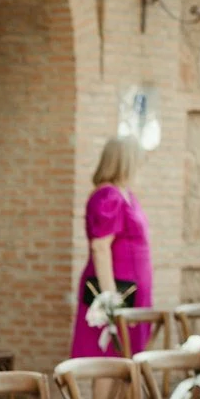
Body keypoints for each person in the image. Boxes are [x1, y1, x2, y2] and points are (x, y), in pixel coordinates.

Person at [70, 135, 151, 360]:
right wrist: (110, 299)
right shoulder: (107, 196)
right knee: (109, 356)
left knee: (127, 358)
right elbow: (100, 247)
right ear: (125, 161)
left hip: (134, 290)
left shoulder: (127, 194)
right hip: (117, 289)